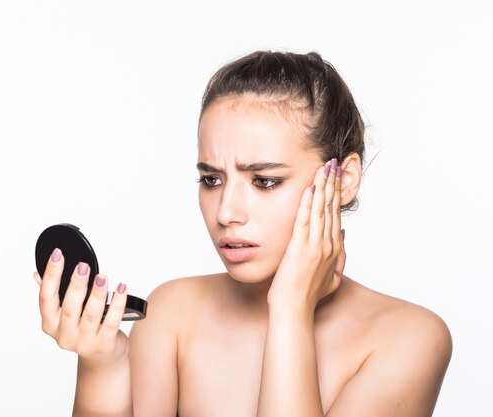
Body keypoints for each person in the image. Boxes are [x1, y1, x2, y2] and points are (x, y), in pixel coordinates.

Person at [33, 50, 452, 417]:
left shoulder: (410, 339)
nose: (227, 213)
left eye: (264, 181)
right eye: (212, 180)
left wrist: (290, 307)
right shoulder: (173, 313)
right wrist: (103, 363)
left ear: (342, 180)